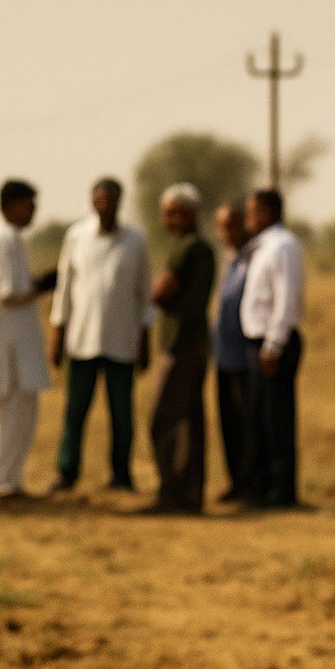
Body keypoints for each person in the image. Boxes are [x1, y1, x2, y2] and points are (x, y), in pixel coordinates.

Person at [49, 177, 151, 492]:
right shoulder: (77, 236)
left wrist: (145, 340)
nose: (105, 205)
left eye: (111, 200)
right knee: (75, 411)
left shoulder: (135, 241)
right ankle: (67, 472)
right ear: (92, 201)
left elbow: (144, 294)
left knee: (122, 414)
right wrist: (57, 334)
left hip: (121, 340)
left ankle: (121, 474)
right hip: (82, 340)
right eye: (100, 199)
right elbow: (64, 288)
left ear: (120, 202)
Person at [0, 180, 56, 501]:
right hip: (10, 341)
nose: (33, 213)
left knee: (17, 412)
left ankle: (8, 480)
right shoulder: (4, 237)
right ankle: (3, 483)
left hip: (7, 337)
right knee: (14, 413)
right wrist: (44, 284)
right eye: (29, 206)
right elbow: (10, 293)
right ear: (12, 204)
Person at [146, 183, 216, 513]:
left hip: (181, 344)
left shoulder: (186, 248)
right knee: (189, 420)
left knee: (163, 419)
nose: (168, 220)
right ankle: (190, 495)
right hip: (195, 342)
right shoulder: (201, 247)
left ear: (189, 214)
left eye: (173, 213)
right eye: (166, 214)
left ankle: (171, 492)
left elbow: (160, 292)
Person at [239, 187, 306, 508]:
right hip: (256, 342)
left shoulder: (283, 247)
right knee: (258, 420)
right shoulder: (260, 247)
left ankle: (282, 491)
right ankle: (262, 487)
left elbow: (286, 300)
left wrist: (273, 345)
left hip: (273, 343)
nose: (248, 218)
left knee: (276, 420)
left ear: (267, 212)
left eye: (252, 211)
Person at [211, 202, 254, 501]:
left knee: (247, 421)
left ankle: (251, 482)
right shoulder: (228, 259)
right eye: (222, 226)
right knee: (228, 422)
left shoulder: (255, 258)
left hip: (245, 355)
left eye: (232, 225)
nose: (227, 232)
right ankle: (236, 482)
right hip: (223, 353)